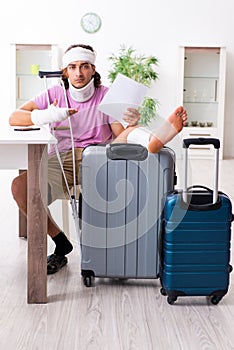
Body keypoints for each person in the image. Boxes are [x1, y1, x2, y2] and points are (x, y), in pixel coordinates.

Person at [9, 43, 187, 274]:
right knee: (20, 187)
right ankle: (60, 241)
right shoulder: (54, 94)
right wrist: (47, 115)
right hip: (63, 160)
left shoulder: (106, 96)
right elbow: (15, 117)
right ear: (65, 71)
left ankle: (154, 138)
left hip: (100, 157)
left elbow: (117, 135)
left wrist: (130, 122)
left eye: (84, 66)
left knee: (130, 132)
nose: (79, 73)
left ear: (93, 69)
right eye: (72, 67)